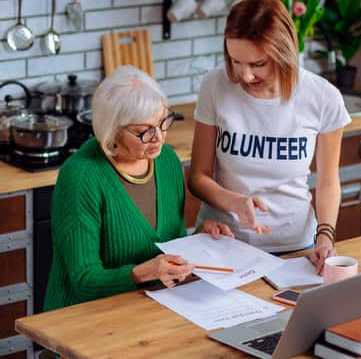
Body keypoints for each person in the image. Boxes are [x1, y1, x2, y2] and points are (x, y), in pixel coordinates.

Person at [44, 66, 232, 312]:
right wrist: (140, 273)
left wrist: (199, 238)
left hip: (151, 310)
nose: (158, 138)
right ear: (112, 130)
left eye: (163, 122)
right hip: (83, 320)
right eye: (143, 131)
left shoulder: (167, 161)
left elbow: (170, 245)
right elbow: (84, 281)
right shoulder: (81, 177)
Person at [189, 0, 351, 273]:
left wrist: (325, 235)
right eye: (235, 61)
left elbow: (327, 182)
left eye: (258, 64)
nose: (245, 75)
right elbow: (197, 177)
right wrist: (235, 202)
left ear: (283, 52)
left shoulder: (322, 97)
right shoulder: (215, 85)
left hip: (295, 249)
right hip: (223, 244)